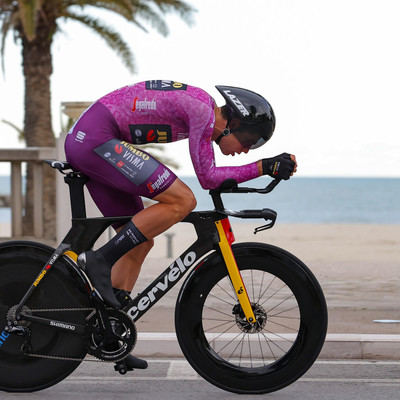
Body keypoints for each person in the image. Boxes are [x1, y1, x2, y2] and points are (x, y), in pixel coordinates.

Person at [64, 80, 297, 369]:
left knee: (138, 241)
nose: (247, 151)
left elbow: (211, 171)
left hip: (92, 140)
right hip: (95, 140)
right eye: (249, 142)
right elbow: (208, 178)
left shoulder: (203, 111)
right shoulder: (203, 111)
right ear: (233, 123)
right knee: (183, 200)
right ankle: (99, 259)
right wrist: (263, 167)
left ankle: (111, 332)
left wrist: (262, 167)